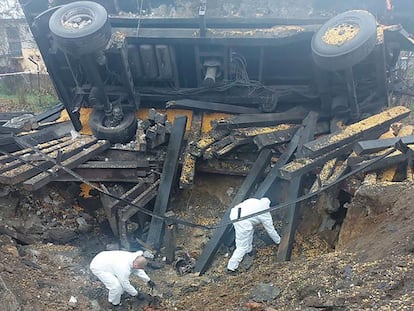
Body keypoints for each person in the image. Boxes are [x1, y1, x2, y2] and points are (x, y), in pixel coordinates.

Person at [227, 197, 281, 273]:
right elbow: (270, 230)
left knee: (249, 230)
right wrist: (279, 241)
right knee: (242, 246)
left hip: (234, 214)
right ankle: (231, 268)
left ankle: (249, 251)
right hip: (242, 221)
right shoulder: (265, 213)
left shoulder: (255, 200)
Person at [90, 250, 156, 306]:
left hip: (106, 259)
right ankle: (114, 303)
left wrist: (148, 280)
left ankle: (119, 295)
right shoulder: (124, 269)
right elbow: (125, 284)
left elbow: (138, 270)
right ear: (135, 265)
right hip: (98, 266)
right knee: (116, 287)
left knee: (120, 284)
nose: (142, 269)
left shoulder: (134, 258)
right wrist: (136, 294)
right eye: (140, 267)